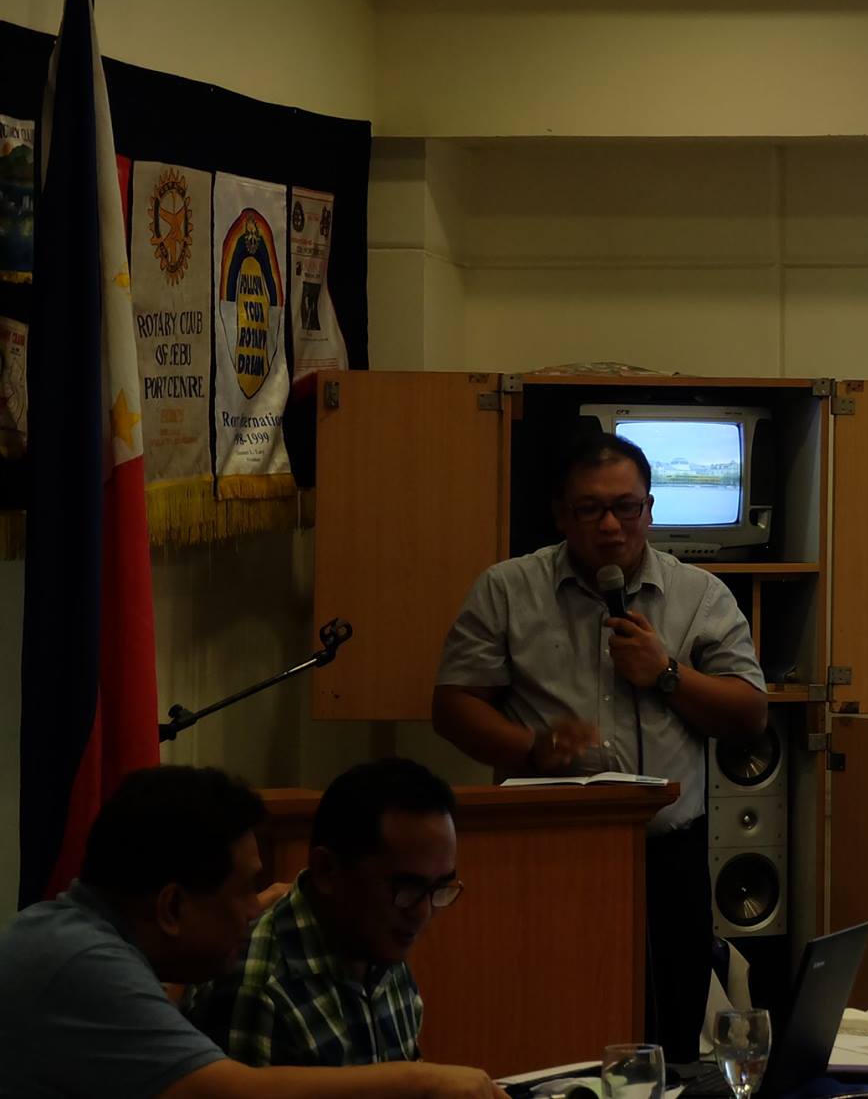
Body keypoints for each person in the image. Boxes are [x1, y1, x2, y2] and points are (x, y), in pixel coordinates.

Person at [431, 430, 768, 1061]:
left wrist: (667, 673)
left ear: (650, 508)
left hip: (668, 856)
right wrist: (531, 749)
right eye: (590, 509)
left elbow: (750, 714)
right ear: (561, 514)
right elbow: (453, 706)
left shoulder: (700, 595)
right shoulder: (507, 589)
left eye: (626, 507)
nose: (611, 525)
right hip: (544, 850)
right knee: (550, 1026)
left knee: (669, 1033)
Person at [0, 764, 504, 1099]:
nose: (255, 907)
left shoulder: (76, 938)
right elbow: (231, 1094)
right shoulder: (82, 964)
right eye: (245, 889)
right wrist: (423, 1082)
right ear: (172, 906)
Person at [185, 759, 461, 1065]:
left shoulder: (380, 942)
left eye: (439, 888)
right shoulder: (258, 990)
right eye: (407, 887)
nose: (423, 913)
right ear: (327, 871)